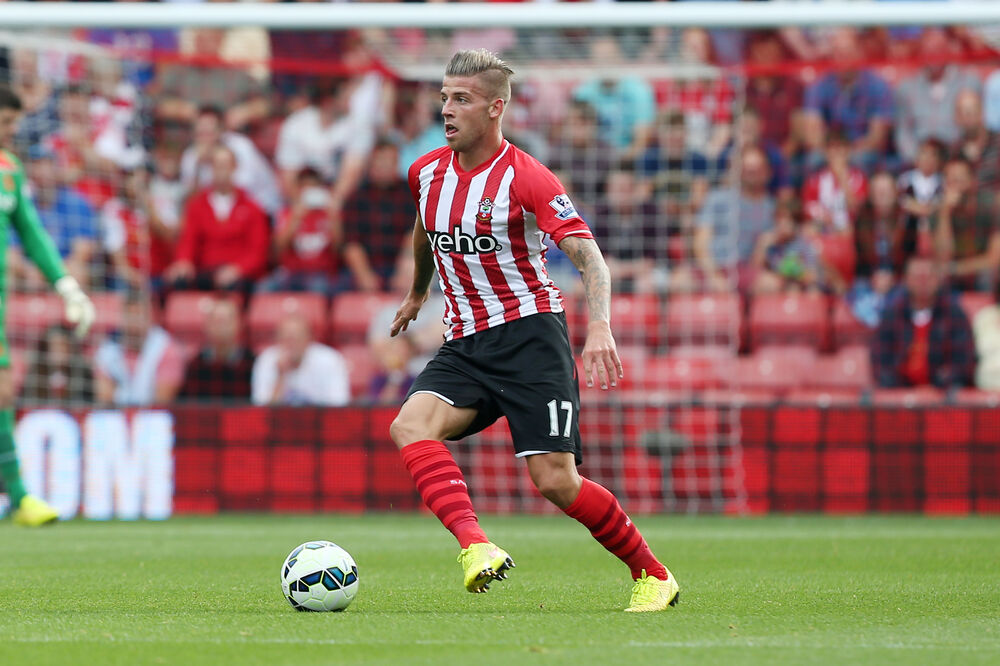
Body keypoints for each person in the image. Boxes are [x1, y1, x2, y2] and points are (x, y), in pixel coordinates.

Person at [389, 50, 678, 612]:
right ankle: (476, 547)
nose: (447, 109)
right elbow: (426, 228)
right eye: (445, 96)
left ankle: (654, 575)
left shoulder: (527, 177)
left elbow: (591, 259)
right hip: (466, 342)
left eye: (462, 99)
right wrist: (418, 291)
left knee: (555, 482)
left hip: (530, 339)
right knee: (410, 425)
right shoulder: (425, 172)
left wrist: (600, 327)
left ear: (496, 108)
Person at [0, 85, 96, 526]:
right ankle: (18, 495)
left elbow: (33, 234)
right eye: (4, 123)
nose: (9, 132)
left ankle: (19, 498)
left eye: (12, 124)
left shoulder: (9, 170)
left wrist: (67, 285)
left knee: (3, 390)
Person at [164, 144, 271, 293]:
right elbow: (188, 240)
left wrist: (238, 269)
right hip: (205, 271)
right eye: (217, 165)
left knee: (233, 285)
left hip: (238, 275)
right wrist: (184, 262)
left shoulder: (253, 208)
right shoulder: (196, 206)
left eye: (225, 165)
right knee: (179, 280)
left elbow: (258, 250)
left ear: (235, 167)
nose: (221, 171)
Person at [872, 256, 975, 389]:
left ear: (938, 280)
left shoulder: (954, 313)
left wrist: (937, 388)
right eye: (917, 277)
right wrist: (903, 391)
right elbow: (880, 361)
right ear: (906, 280)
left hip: (945, 398)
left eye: (928, 276)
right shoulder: (892, 313)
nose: (923, 282)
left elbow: (963, 362)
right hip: (898, 397)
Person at [7, 143, 99, 291]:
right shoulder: (22, 202)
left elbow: (83, 250)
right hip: (31, 271)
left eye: (48, 165)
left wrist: (55, 272)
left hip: (65, 267)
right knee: (9, 272)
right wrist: (27, 270)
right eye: (37, 165)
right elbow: (11, 251)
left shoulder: (76, 203)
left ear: (57, 169)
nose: (43, 172)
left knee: (79, 272)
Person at [894, 28, 980, 166]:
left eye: (938, 49)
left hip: (958, 158)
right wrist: (917, 158)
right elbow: (903, 132)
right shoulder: (907, 87)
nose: (933, 55)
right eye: (928, 50)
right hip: (919, 160)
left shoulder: (969, 82)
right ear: (921, 52)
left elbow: (976, 126)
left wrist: (960, 154)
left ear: (948, 50)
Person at [179, 106, 281, 217]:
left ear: (221, 131)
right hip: (224, 215)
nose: (205, 138)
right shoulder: (191, 156)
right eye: (201, 133)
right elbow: (192, 201)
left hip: (263, 209)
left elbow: (241, 191)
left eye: (209, 132)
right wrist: (199, 167)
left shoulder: (241, 146)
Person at [340, 141, 415, 292]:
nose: (384, 167)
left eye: (389, 162)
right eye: (380, 161)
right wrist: (365, 275)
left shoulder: (411, 193)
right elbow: (351, 244)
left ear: (397, 164)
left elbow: (417, 235)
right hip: (367, 266)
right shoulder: (356, 197)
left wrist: (406, 269)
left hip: (403, 264)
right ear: (371, 165)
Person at [257, 167, 342, 296]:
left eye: (313, 187)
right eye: (303, 187)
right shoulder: (287, 213)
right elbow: (277, 250)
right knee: (264, 288)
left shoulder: (328, 214)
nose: (307, 192)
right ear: (296, 190)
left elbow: (338, 248)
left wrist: (333, 218)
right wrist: (295, 218)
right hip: (291, 272)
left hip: (320, 272)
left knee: (318, 288)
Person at [95, 290, 184, 406]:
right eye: (130, 315)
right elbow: (104, 397)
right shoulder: (108, 349)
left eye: (139, 315)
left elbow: (162, 400)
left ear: (151, 318)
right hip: (116, 417)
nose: (134, 323)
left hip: (154, 418)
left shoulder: (166, 348)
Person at [251, 314, 350, 407]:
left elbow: (338, 409)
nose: (291, 345)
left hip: (319, 424)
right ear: (277, 340)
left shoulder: (330, 361)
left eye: (297, 339)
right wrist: (280, 376)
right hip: (279, 424)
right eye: (286, 339)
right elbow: (262, 413)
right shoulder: (266, 361)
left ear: (309, 339)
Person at [934, 158, 1000, 292]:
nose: (954, 187)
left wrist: (956, 268)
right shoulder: (939, 211)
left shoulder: (991, 206)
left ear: (973, 182)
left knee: (987, 276)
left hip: (982, 274)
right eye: (949, 181)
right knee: (934, 278)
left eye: (958, 180)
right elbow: (943, 257)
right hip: (951, 276)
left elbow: (994, 259)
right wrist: (945, 214)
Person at [179, 297, 255, 401]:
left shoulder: (252, 364)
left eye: (227, 320)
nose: (221, 326)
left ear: (239, 324)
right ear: (206, 325)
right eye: (216, 320)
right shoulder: (194, 366)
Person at [21, 324, 94, 405]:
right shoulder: (36, 374)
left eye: (62, 346)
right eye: (54, 346)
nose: (58, 351)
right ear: (46, 348)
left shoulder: (82, 373)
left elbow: (88, 403)